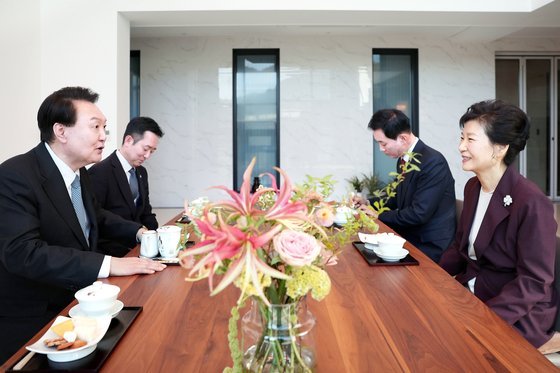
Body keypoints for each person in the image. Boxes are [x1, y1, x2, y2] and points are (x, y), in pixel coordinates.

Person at [0, 87, 166, 363]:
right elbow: (24, 253)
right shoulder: (15, 176)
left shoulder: (80, 174)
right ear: (61, 131)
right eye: (95, 127)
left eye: (105, 128)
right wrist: (108, 263)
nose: (104, 136)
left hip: (78, 306)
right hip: (33, 321)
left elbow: (96, 216)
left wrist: (138, 232)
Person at [439, 100, 558, 351]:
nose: (461, 147)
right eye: (462, 138)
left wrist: (486, 318)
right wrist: (430, 275)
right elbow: (460, 248)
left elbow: (534, 281)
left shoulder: (531, 202)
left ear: (500, 148)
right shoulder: (473, 187)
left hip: (516, 312)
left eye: (470, 140)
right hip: (474, 294)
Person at [359, 109, 456, 262]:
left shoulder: (433, 162)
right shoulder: (403, 160)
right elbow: (397, 196)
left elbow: (419, 213)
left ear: (403, 139)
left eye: (383, 143)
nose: (381, 149)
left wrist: (379, 215)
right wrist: (369, 203)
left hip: (429, 245)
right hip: (410, 236)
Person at [89, 117, 163, 257]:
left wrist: (158, 238)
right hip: (113, 253)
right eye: (145, 149)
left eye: (152, 151)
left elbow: (146, 212)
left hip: (140, 248)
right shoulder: (99, 172)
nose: (147, 156)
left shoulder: (141, 172)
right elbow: (96, 217)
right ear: (129, 140)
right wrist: (137, 232)